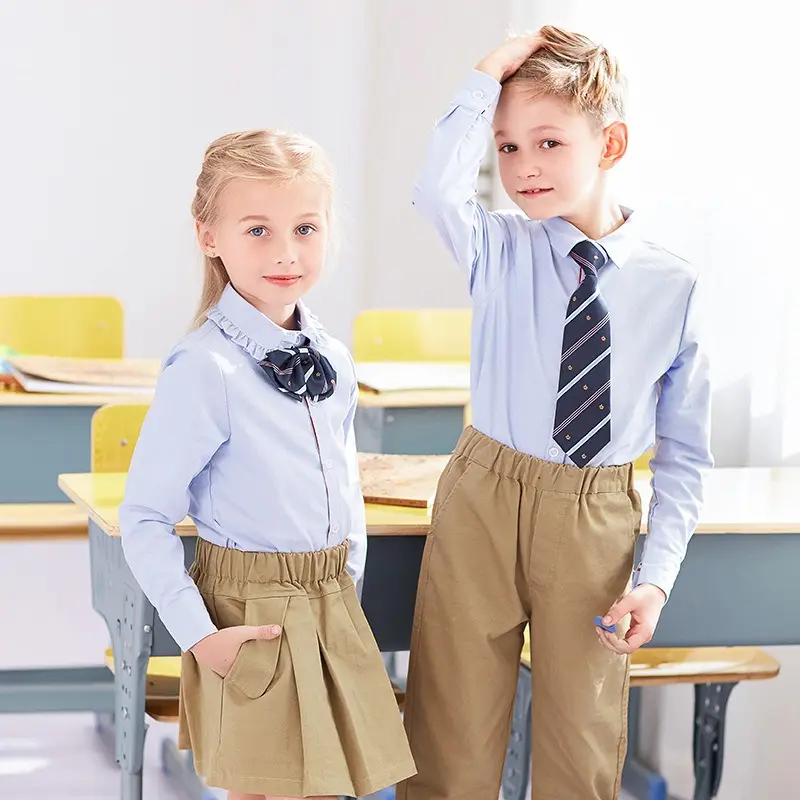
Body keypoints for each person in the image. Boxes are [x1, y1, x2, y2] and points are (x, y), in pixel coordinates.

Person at [398, 26, 713, 800]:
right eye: (506, 149)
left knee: (583, 742)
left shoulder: (673, 286)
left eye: (547, 142)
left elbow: (684, 456)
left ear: (611, 143)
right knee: (451, 730)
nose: (524, 168)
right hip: (484, 496)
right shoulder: (497, 249)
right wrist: (485, 77)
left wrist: (656, 580)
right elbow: (434, 189)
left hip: (596, 513)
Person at [119, 129, 415, 800]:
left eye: (306, 227)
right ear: (209, 235)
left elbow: (344, 487)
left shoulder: (333, 358)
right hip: (249, 614)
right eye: (258, 230)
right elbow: (142, 517)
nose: (287, 253)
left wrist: (349, 591)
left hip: (333, 601)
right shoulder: (204, 369)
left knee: (334, 788)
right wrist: (200, 637)